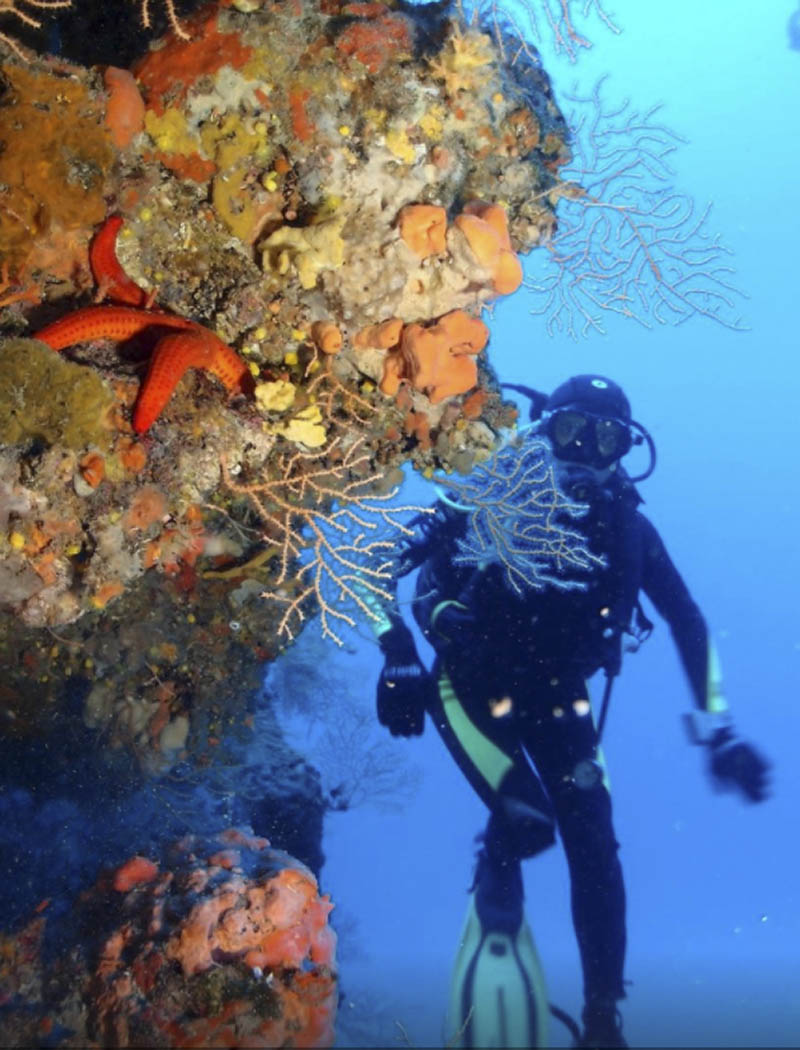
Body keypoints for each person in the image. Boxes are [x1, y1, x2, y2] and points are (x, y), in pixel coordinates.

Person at [371, 375, 771, 1049]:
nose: (584, 451)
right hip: (467, 688)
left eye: (605, 438)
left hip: (562, 700)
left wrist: (719, 731)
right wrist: (398, 654)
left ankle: (603, 1017)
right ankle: (501, 854)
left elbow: (688, 620)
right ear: (540, 432)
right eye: (570, 431)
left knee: (596, 847)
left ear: (624, 453)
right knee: (528, 820)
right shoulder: (481, 498)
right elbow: (376, 562)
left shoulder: (629, 530)